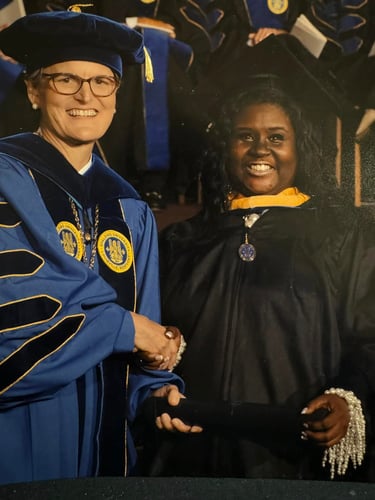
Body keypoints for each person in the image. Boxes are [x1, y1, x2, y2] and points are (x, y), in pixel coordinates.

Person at [0, 9, 201, 485]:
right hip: (15, 447)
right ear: (33, 90)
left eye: (102, 81)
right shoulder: (6, 182)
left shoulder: (131, 210)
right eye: (65, 79)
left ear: (116, 96)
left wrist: (154, 391)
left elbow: (143, 342)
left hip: (106, 461)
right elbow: (11, 332)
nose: (85, 96)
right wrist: (124, 328)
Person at [151, 73, 375, 480]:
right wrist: (155, 387)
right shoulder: (185, 239)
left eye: (276, 138)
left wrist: (348, 396)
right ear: (226, 148)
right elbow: (155, 337)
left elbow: (368, 336)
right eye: (245, 136)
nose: (260, 150)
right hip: (195, 445)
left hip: (296, 448)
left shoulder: (340, 235)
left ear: (298, 148)